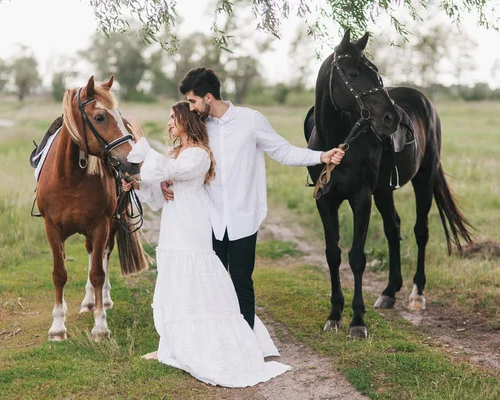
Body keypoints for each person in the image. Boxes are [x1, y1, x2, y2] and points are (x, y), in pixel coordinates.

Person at [158, 67, 345, 330]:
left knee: (242, 282)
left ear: (208, 97)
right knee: (211, 281)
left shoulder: (251, 121)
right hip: (209, 217)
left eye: (193, 100)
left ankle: (246, 338)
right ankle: (215, 336)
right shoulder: (200, 126)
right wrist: (167, 179)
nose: (192, 107)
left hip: (243, 217)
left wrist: (321, 156)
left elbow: (283, 151)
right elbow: (186, 157)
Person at [121, 102, 293, 388]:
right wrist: (138, 186)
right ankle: (173, 346)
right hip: (174, 226)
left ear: (186, 122)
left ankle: (205, 347)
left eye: (173, 119)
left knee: (195, 282)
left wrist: (141, 142)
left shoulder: (199, 155)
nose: (168, 124)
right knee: (175, 282)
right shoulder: (175, 153)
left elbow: (168, 170)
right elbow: (159, 190)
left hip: (192, 227)